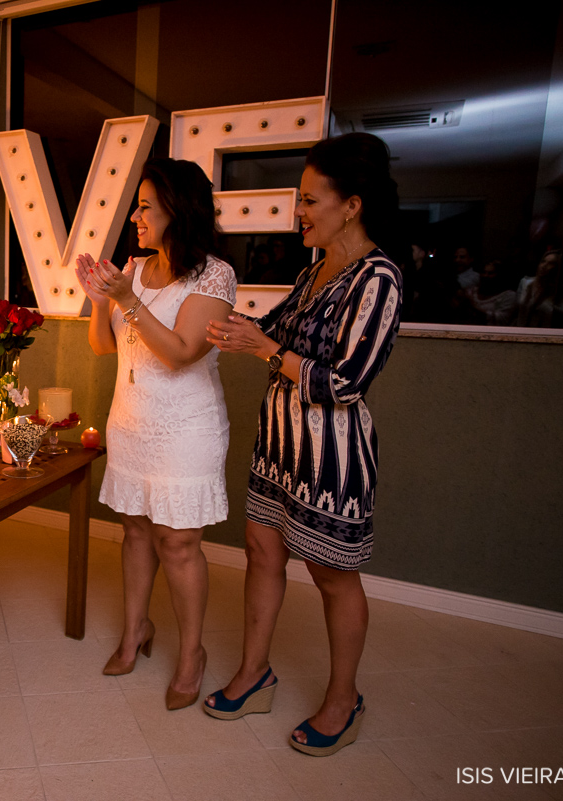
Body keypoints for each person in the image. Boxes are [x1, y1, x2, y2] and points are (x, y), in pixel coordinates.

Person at [205, 132, 402, 756]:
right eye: (299, 199)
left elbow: (346, 379)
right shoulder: (314, 270)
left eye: (311, 201)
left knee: (332, 574)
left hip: (332, 456)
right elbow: (278, 331)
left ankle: (344, 700)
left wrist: (265, 349)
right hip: (279, 444)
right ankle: (254, 671)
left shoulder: (379, 279)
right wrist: (230, 327)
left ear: (353, 205)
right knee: (262, 552)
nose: (299, 212)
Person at [75, 158, 236, 711]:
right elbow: (104, 347)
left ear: (176, 208)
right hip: (132, 422)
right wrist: (100, 302)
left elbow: (182, 355)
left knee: (179, 542)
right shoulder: (134, 268)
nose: (135, 217)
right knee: (137, 533)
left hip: (187, 427)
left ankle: (192, 654)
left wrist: (125, 299)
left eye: (145, 206)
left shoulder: (214, 275)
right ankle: (134, 631)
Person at [463, 260, 517, 325]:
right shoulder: (471, 291)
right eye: (483, 272)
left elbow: (502, 319)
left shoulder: (508, 296)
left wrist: (474, 307)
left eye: (490, 273)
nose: (485, 276)